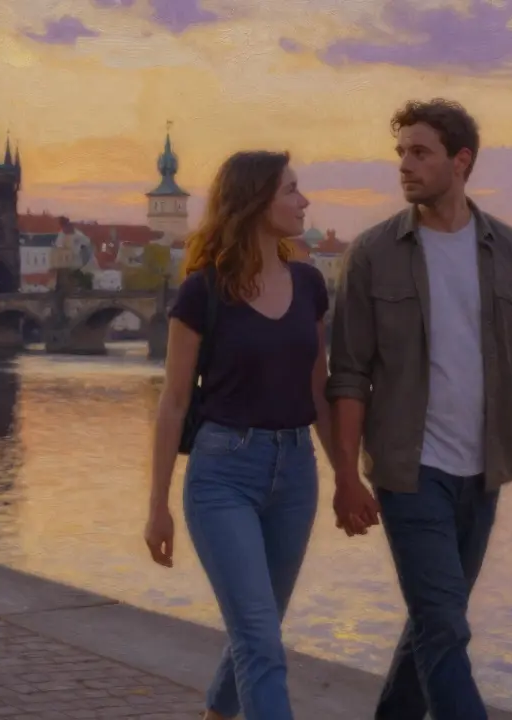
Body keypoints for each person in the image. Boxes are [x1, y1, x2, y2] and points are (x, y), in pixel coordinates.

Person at [327, 98, 512, 719]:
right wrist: (344, 476)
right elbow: (349, 375)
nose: (405, 165)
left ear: (460, 161)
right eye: (401, 153)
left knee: (434, 622)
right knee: (444, 627)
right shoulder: (373, 254)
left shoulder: (510, 252)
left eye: (421, 152)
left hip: (484, 470)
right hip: (408, 471)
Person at [144, 150, 333, 720]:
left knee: (261, 628)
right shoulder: (203, 292)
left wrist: (348, 475)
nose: (304, 201)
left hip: (296, 472)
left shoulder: (309, 284)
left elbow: (319, 392)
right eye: (291, 190)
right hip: (223, 473)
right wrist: (157, 507)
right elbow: (174, 401)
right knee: (259, 640)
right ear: (256, 201)